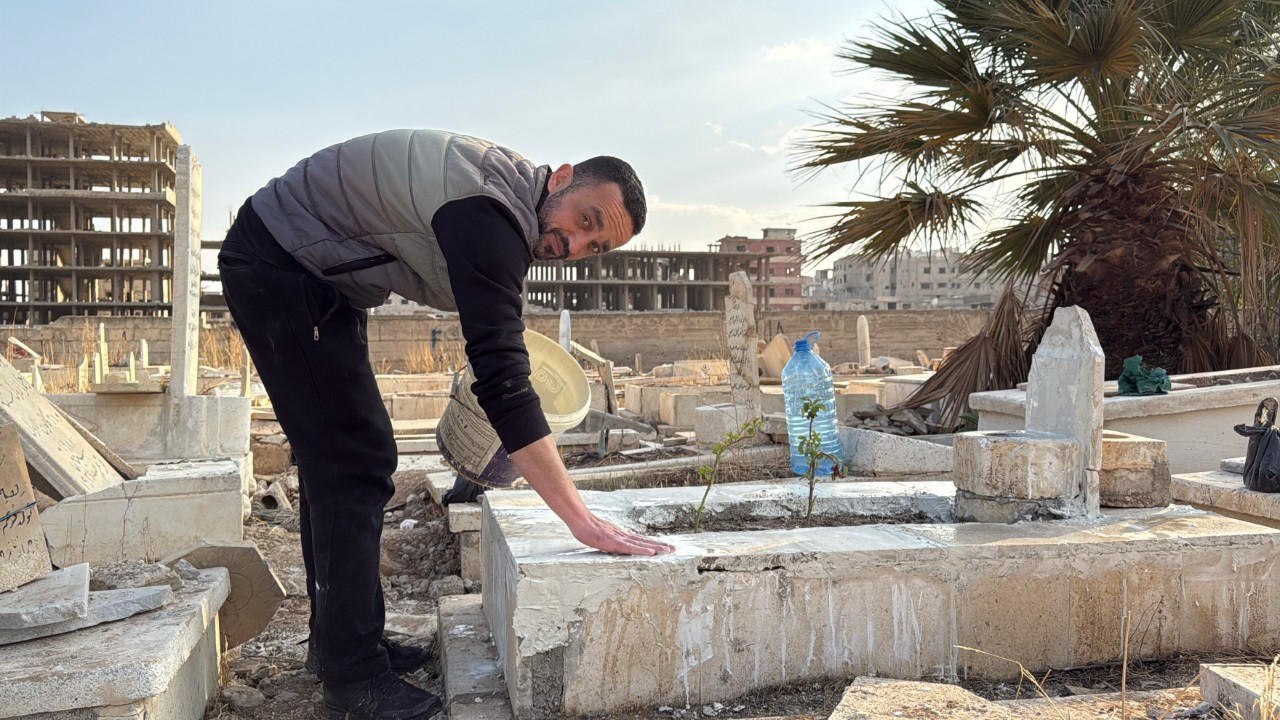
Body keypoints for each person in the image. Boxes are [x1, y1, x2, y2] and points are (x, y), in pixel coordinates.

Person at [217, 129, 675, 720]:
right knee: (352, 464)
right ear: (561, 178)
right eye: (584, 220)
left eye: (595, 245)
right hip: (280, 263)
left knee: (347, 459)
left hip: (316, 275)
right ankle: (352, 677)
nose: (575, 244)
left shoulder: (506, 204)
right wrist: (581, 521)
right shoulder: (490, 215)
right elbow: (503, 380)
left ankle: (341, 642)